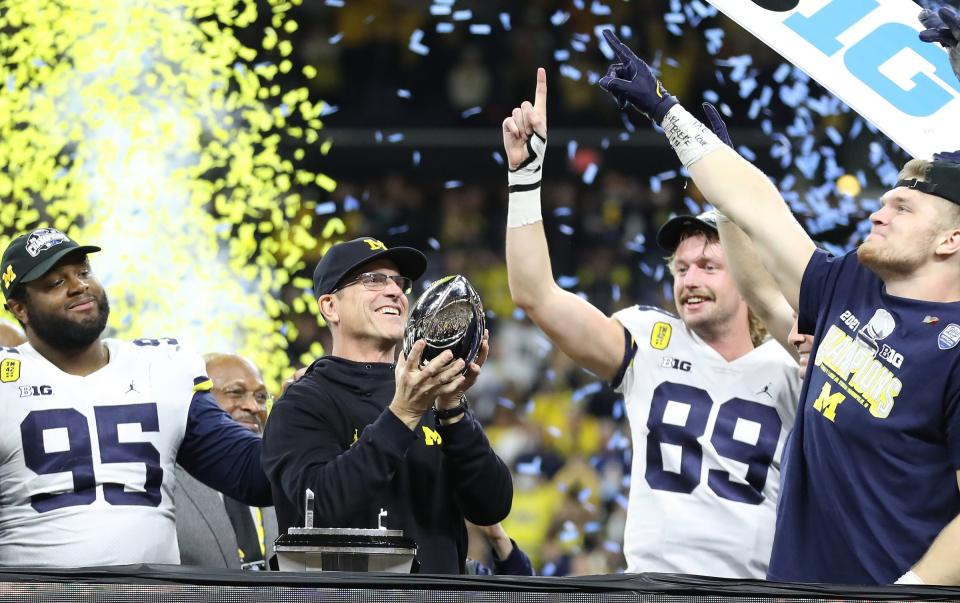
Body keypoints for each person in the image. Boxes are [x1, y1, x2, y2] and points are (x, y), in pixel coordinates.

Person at [597, 30, 960, 585]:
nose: (877, 214)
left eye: (902, 207)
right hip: (797, 587)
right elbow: (759, 207)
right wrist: (669, 113)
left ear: (949, 241)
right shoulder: (848, 286)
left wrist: (904, 596)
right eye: (884, 201)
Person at [501, 69, 801, 578]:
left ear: (749, 275)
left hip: (757, 588)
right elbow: (537, 296)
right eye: (681, 268)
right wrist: (525, 178)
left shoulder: (796, 360)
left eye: (709, 266)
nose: (690, 280)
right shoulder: (648, 337)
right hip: (652, 585)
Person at [0, 227, 271, 567]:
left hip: (146, 593)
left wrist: (305, 416)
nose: (78, 286)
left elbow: (251, 474)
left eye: (83, 271)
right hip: (33, 594)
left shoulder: (160, 366)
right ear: (19, 308)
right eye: (55, 283)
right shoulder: (6, 378)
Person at [261, 237, 512, 574]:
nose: (394, 291)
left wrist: (453, 409)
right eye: (372, 280)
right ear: (330, 307)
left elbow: (490, 506)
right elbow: (318, 510)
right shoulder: (304, 401)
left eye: (398, 282)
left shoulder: (430, 396)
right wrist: (402, 415)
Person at [176, 353, 278, 569]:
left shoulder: (281, 474)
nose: (253, 406)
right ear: (197, 403)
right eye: (235, 393)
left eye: (261, 397)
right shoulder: (167, 479)